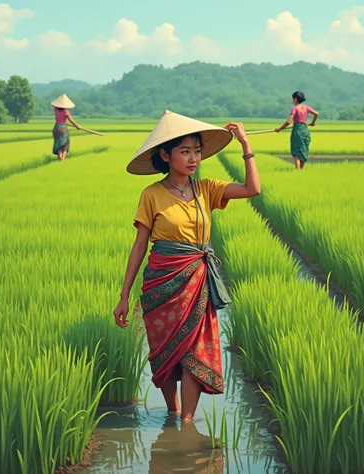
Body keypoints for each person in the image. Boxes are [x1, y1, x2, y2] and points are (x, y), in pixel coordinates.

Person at [113, 110, 261, 422]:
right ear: (165, 155)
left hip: (197, 281)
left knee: (195, 349)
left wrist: (245, 145)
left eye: (197, 151)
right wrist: (124, 296)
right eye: (185, 151)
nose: (194, 158)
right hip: (160, 284)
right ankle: (173, 410)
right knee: (163, 351)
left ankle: (187, 422)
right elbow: (139, 246)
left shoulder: (206, 188)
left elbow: (252, 190)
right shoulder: (151, 194)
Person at [275, 91, 319, 169]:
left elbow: (288, 122)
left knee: (296, 151)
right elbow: (316, 113)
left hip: (297, 131)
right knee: (303, 149)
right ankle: (301, 170)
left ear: (295, 99)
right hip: (305, 131)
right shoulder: (306, 107)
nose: (292, 100)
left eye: (292, 99)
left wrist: (279, 129)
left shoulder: (295, 108)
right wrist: (312, 122)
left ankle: (297, 170)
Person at [51, 94, 80, 161]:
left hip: (56, 128)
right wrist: (76, 126)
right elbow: (71, 120)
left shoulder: (56, 110)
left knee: (58, 145)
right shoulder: (66, 112)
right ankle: (62, 160)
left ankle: (59, 159)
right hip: (63, 129)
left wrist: (58, 103)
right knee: (65, 145)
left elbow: (54, 105)